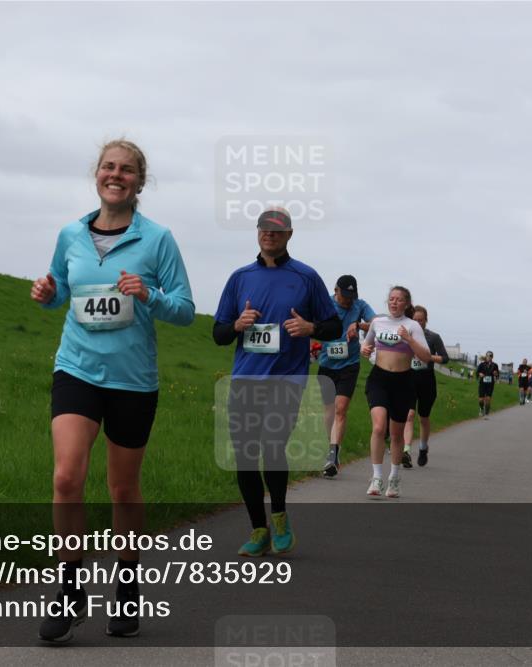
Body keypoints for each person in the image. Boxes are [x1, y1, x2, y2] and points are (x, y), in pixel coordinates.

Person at [31, 140, 195, 642]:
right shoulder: (70, 234)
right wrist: (47, 294)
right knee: (66, 477)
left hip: (132, 380)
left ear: (139, 183)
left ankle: (126, 592)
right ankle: (70, 590)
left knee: (123, 488)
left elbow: (185, 309)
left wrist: (150, 294)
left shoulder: (158, 239)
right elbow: (61, 289)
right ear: (96, 175)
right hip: (76, 369)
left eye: (127, 170)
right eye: (109, 167)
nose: (116, 175)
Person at [213, 207, 340, 556]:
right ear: (257, 233)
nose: (269, 234)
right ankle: (258, 529)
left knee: (272, 447)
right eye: (264, 229)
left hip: (287, 380)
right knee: (244, 456)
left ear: (289, 235)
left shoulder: (306, 277)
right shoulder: (240, 278)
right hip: (246, 380)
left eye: (277, 230)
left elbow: (333, 326)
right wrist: (238, 325)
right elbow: (219, 333)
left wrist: (311, 328)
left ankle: (280, 515)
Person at [360, 287, 432, 498]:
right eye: (391, 299)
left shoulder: (412, 326)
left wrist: (409, 340)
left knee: (396, 434)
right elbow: (367, 345)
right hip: (379, 379)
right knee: (379, 426)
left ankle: (393, 478)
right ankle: (376, 477)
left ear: (406, 304)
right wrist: (365, 350)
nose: (394, 303)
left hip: (403, 382)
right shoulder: (377, 322)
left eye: (399, 300)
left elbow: (426, 356)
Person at [319, 275, 376, 478]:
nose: (348, 300)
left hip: (349, 365)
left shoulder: (359, 305)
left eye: (351, 296)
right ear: (336, 291)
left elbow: (377, 323)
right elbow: (311, 325)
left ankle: (333, 455)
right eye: (345, 296)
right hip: (326, 364)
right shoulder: (323, 303)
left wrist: (359, 326)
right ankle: (331, 447)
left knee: (340, 409)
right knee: (328, 412)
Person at [402, 305, 449, 468]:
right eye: (414, 320)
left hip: (426, 380)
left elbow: (445, 358)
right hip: (409, 378)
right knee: (408, 415)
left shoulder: (433, 337)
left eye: (420, 320)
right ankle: (406, 451)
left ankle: (422, 447)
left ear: (425, 320)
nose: (417, 323)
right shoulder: (405, 335)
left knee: (423, 418)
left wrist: (428, 357)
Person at [476, 351, 499, 418]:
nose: (489, 357)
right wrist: (480, 374)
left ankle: (486, 413)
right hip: (482, 383)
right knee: (481, 399)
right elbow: (477, 372)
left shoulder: (495, 365)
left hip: (490, 384)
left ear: (492, 357)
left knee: (488, 399)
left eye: (490, 356)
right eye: (487, 356)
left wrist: (495, 374)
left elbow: (497, 374)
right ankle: (481, 408)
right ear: (486, 356)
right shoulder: (482, 364)